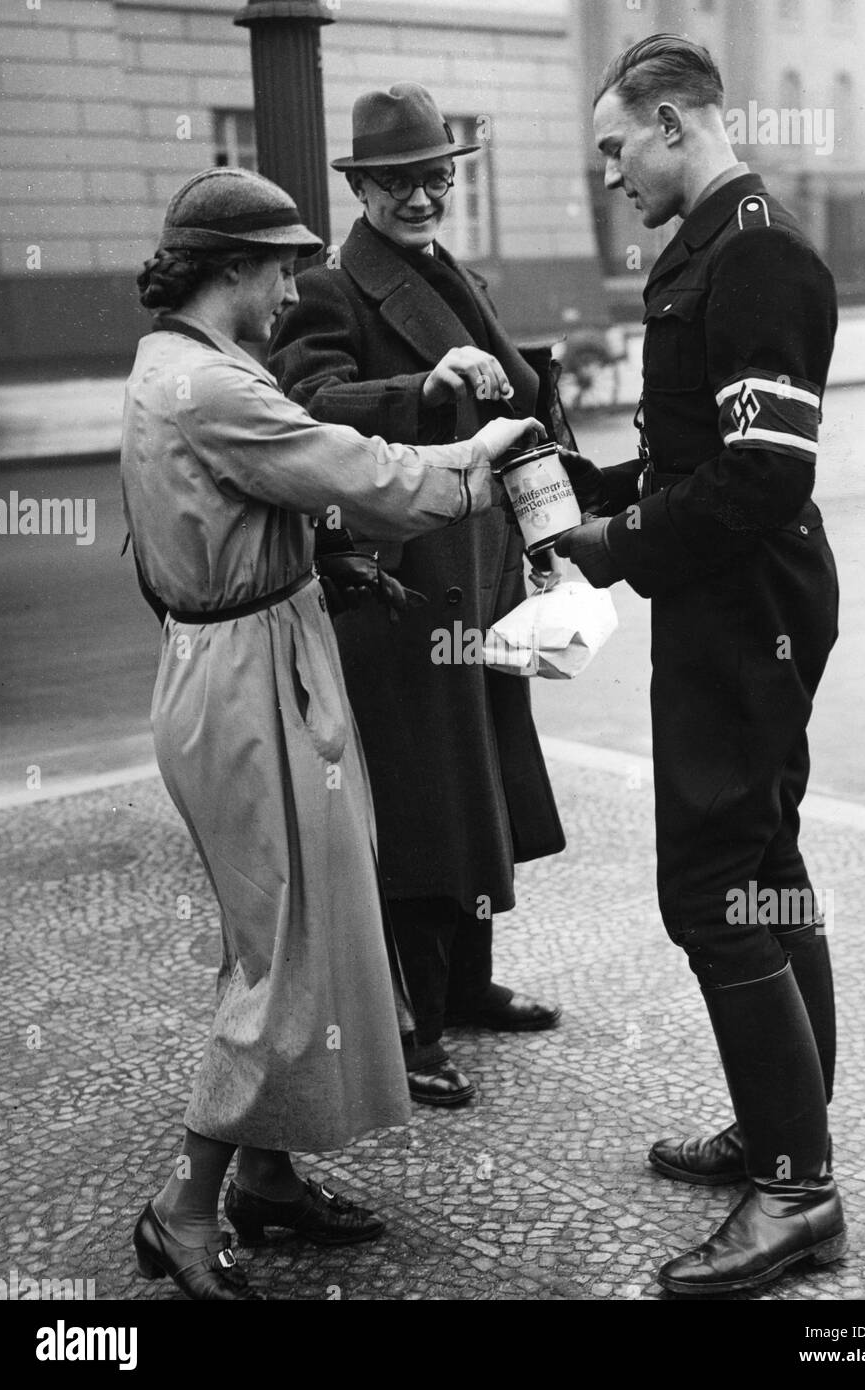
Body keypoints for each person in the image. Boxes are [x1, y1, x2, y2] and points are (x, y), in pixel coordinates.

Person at [122, 166, 543, 1299]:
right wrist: (479, 458)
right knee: (288, 952)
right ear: (231, 270)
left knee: (283, 932)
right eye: (276, 266)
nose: (288, 285)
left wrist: (330, 564)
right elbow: (362, 474)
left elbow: (263, 503)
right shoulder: (213, 384)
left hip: (252, 655)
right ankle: (186, 1206)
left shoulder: (173, 365)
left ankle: (264, 1178)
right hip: (249, 675)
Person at [555, 36, 845, 1295]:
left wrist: (615, 542)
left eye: (616, 145)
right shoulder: (719, 241)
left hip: (745, 604)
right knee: (765, 865)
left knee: (713, 885)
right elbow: (698, 453)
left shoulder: (755, 251)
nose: (609, 172)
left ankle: (794, 1192)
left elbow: (763, 474)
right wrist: (589, 489)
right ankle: (788, 1132)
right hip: (737, 594)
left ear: (672, 122)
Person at [270, 84, 569, 1108]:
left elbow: (516, 404)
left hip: (476, 567)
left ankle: (470, 985)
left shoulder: (453, 272)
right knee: (426, 802)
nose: (421, 196)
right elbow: (307, 410)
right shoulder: (329, 286)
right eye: (398, 182)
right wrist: (424, 391)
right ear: (363, 188)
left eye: (434, 177)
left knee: (481, 780)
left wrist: (543, 531)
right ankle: (416, 1026)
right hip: (401, 586)